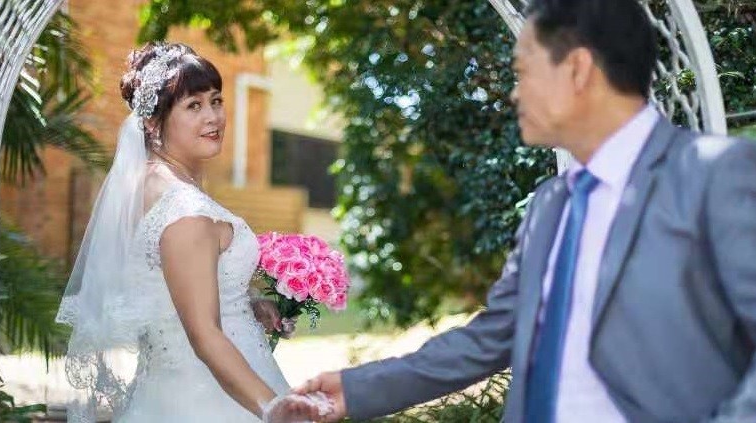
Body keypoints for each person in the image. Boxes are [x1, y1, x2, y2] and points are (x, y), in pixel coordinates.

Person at [297, 0, 756, 421]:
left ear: (577, 69)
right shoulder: (550, 204)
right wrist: (355, 389)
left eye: (523, 72)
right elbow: (493, 337)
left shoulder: (715, 175)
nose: (516, 95)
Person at [56, 42, 326, 422]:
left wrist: (246, 306)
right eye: (193, 106)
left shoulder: (150, 185)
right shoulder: (185, 209)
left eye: (216, 100)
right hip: (209, 400)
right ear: (153, 122)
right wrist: (273, 407)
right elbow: (204, 334)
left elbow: (171, 294)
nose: (213, 117)